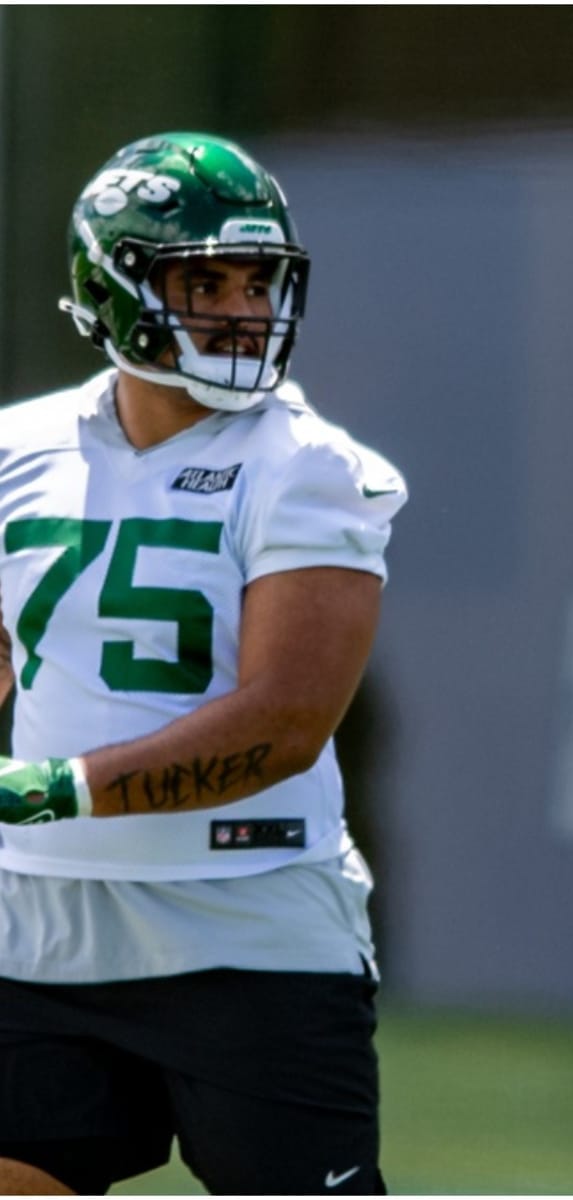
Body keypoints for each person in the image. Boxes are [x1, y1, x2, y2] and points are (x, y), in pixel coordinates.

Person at [0, 131, 405, 1195]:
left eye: (257, 279)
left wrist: (54, 791)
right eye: (203, 278)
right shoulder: (16, 451)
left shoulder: (310, 467)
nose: (241, 307)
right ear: (112, 284)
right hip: (36, 926)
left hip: (246, 921)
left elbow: (284, 724)